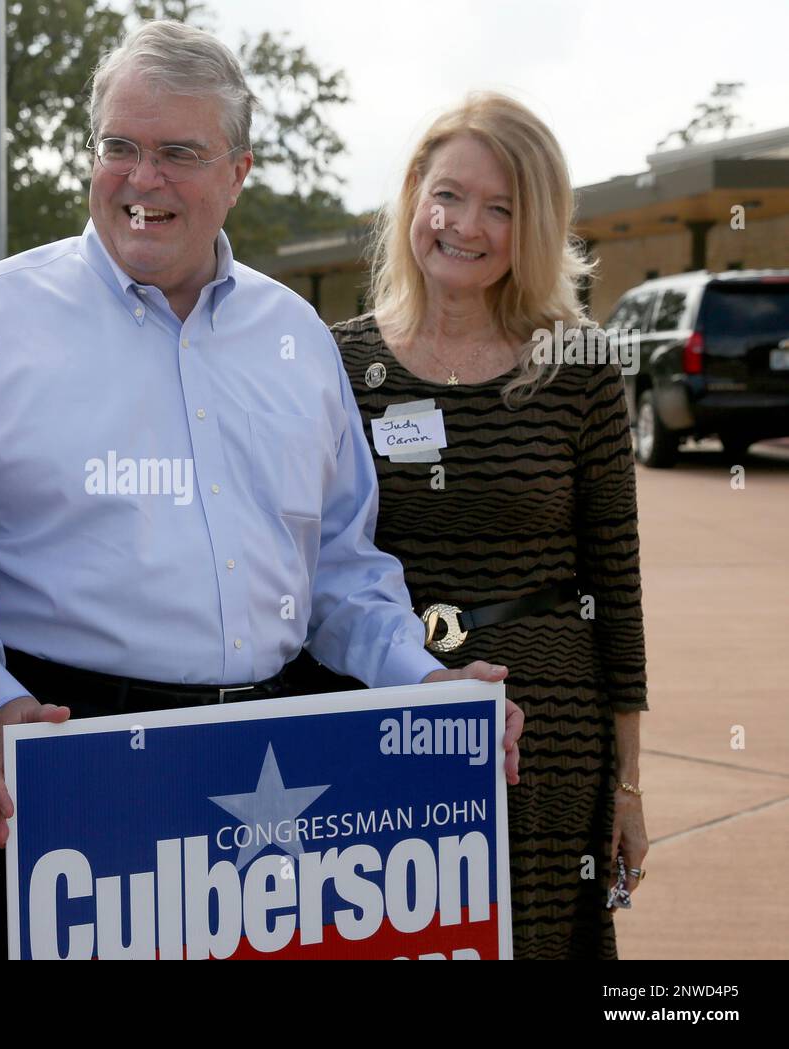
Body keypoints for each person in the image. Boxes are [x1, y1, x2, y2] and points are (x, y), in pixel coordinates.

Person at [0, 21, 524, 959]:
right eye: (119, 147)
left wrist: (427, 682)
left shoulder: (299, 342)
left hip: (280, 770)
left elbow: (340, 572)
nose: (141, 179)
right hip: (69, 764)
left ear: (238, 171)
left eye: (178, 153)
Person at [331, 93, 649, 959]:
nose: (465, 225)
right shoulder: (340, 362)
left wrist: (626, 784)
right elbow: (316, 560)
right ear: (412, 198)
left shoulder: (577, 365)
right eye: (449, 195)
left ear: (534, 225)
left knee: (536, 940)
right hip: (387, 709)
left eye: (500, 207)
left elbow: (615, 582)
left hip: (546, 728)